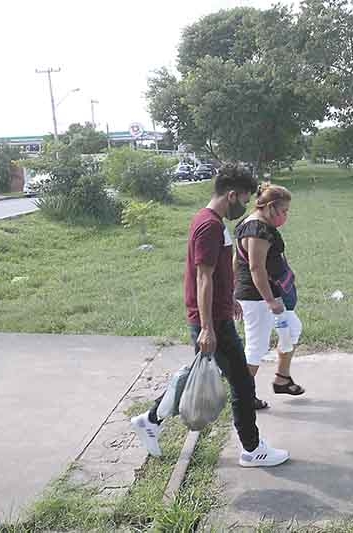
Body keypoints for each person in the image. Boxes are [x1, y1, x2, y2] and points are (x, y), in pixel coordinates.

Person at [131, 163, 289, 468]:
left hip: (217, 315)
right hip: (211, 322)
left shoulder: (212, 221)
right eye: (243, 200)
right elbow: (202, 277)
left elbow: (216, 274)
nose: (244, 206)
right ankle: (252, 449)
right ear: (231, 195)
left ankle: (150, 420)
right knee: (242, 384)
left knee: (199, 375)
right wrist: (206, 327)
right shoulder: (210, 225)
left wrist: (230, 299)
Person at [234, 183, 304, 410]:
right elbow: (256, 268)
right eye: (283, 211)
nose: (286, 216)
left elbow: (237, 260)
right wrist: (270, 300)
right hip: (257, 298)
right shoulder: (256, 229)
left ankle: (282, 379)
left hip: (265, 295)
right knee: (256, 347)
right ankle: (242, 397)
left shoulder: (256, 223)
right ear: (271, 207)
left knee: (293, 329)